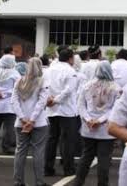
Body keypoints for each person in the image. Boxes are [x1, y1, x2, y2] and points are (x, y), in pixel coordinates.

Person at [74, 61, 120, 186]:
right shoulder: (115, 88)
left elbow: (80, 105)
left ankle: (77, 183)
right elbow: (114, 109)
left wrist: (89, 119)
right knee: (104, 160)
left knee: (85, 158)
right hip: (105, 130)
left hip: (88, 129)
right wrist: (99, 121)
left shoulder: (87, 85)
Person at [43, 46, 81, 177]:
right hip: (66, 110)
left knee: (52, 139)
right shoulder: (70, 71)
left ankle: (48, 168)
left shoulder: (49, 70)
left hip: (52, 109)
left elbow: (45, 86)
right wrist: (56, 100)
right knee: (67, 141)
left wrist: (49, 99)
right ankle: (68, 168)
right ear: (70, 58)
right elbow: (69, 90)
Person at [12, 58, 50, 186]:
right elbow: (41, 102)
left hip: (20, 123)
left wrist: (23, 118)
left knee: (20, 152)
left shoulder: (19, 81)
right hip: (38, 123)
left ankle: (18, 181)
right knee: (38, 152)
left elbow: (14, 102)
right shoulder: (42, 82)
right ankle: (39, 182)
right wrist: (32, 120)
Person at [0, 54, 21, 155]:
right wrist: (4, 94)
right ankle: (6, 147)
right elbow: (17, 89)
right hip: (9, 103)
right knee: (9, 127)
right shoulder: (15, 73)